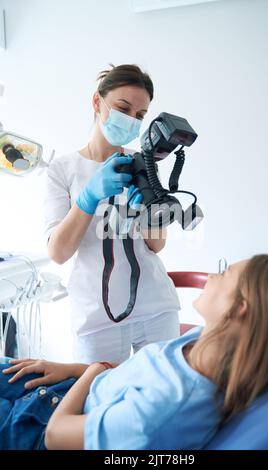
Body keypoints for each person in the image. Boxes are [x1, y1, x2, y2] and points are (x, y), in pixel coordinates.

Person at [0, 254, 268, 450]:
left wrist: (91, 372)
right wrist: (72, 369)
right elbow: (137, 375)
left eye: (224, 273)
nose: (212, 276)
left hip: (37, 429)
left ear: (239, 310)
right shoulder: (202, 341)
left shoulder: (163, 411)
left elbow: (56, 436)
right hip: (68, 390)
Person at [43, 64, 181, 364]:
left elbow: (156, 245)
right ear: (97, 102)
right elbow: (58, 252)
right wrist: (88, 197)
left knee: (163, 401)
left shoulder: (142, 162)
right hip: (97, 318)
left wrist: (147, 212)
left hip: (156, 306)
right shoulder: (62, 170)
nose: (131, 120)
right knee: (99, 401)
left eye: (140, 115)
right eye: (123, 107)